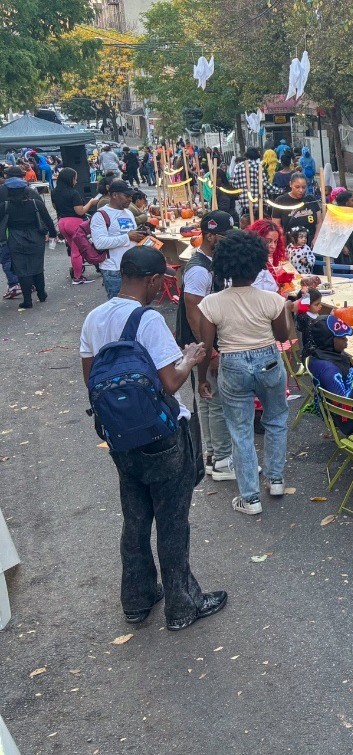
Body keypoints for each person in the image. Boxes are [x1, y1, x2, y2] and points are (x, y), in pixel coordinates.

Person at [79, 246, 227, 631]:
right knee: (173, 520)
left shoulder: (94, 318)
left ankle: (137, 598)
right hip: (162, 436)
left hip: (121, 437)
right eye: (162, 280)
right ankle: (183, 606)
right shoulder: (148, 320)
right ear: (152, 280)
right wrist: (192, 357)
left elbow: (89, 375)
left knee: (136, 516)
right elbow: (170, 381)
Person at [196, 231, 293, 516]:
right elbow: (282, 335)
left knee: (240, 430)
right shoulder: (271, 299)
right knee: (276, 420)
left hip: (232, 363)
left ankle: (250, 498)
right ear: (257, 264)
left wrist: (203, 379)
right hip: (269, 361)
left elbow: (207, 345)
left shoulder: (211, 303)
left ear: (224, 265)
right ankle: (276, 480)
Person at [177, 210, 237, 482]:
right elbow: (194, 314)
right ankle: (223, 460)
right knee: (217, 401)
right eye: (224, 236)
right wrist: (209, 350)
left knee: (208, 399)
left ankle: (212, 457)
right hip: (201, 343)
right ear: (210, 235)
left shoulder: (212, 262)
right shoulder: (199, 269)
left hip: (203, 343)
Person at [2, 165, 54, 309]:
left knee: (21, 269)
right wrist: (53, 234)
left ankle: (27, 300)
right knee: (37, 265)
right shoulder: (35, 202)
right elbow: (48, 219)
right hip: (36, 237)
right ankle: (42, 293)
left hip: (15, 237)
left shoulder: (5, 206)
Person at [50, 167, 101, 285]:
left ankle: (77, 273)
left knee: (73, 248)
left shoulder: (54, 192)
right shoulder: (73, 193)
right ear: (70, 179)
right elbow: (80, 211)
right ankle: (78, 277)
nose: (76, 181)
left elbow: (55, 207)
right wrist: (91, 203)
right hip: (75, 223)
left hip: (62, 222)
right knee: (76, 251)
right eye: (75, 179)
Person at [270, 173, 324, 247]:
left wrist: (316, 238)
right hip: (290, 246)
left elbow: (319, 222)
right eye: (297, 187)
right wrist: (283, 244)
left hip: (311, 246)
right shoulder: (281, 201)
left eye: (304, 187)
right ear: (290, 184)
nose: (301, 190)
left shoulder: (311, 199)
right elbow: (276, 225)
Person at [229, 148, 273, 220]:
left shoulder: (238, 166)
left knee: (247, 225)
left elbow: (235, 184)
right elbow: (264, 184)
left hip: (245, 203)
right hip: (259, 204)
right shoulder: (259, 166)